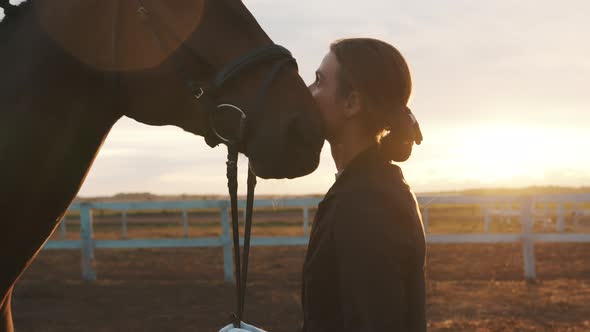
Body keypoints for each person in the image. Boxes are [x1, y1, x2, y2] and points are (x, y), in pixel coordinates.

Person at [220, 38, 426, 332]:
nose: (307, 91)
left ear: (352, 103)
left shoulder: (366, 206)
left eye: (319, 81)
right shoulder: (368, 189)